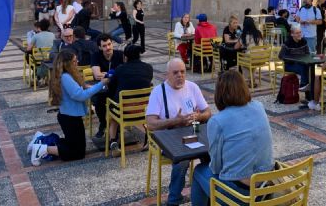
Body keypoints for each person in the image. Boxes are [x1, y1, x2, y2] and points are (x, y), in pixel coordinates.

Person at [190, 70, 274, 206]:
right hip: (265, 186)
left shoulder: (217, 121)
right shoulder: (259, 107)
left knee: (199, 171)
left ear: (220, 93)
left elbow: (216, 168)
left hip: (241, 193)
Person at [146, 58, 211, 206]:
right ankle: (173, 200)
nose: (180, 75)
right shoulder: (158, 92)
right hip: (169, 138)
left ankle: (208, 194)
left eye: (182, 72)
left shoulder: (192, 87)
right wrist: (175, 121)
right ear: (167, 75)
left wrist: (199, 116)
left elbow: (208, 112)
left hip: (193, 134)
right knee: (183, 161)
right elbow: (150, 124)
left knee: (211, 153)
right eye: (175, 73)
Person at [28, 50, 109, 166]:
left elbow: (81, 88)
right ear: (66, 64)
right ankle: (42, 149)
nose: (77, 63)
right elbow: (80, 95)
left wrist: (94, 86)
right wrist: (101, 84)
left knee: (74, 145)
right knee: (77, 153)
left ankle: (41, 139)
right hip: (70, 118)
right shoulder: (66, 77)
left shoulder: (68, 75)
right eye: (74, 61)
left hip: (70, 116)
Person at [106, 44, 154, 154]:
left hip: (124, 111)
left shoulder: (120, 69)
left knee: (112, 112)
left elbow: (111, 87)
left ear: (125, 57)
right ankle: (148, 137)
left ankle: (113, 142)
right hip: (143, 110)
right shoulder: (148, 68)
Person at [90, 34, 125, 139]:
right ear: (100, 47)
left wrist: (106, 75)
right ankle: (103, 123)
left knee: (119, 98)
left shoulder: (120, 55)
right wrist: (115, 74)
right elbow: (97, 75)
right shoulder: (96, 56)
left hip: (117, 88)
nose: (108, 47)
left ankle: (116, 125)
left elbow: (126, 72)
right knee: (98, 99)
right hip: (102, 88)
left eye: (109, 44)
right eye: (104, 46)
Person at [279, 25, 310, 90]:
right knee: (304, 68)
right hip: (289, 65)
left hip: (301, 63)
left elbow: (307, 53)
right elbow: (281, 56)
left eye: (300, 32)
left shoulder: (303, 41)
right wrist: (292, 59)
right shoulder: (287, 43)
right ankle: (303, 85)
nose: (299, 34)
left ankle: (308, 95)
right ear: (292, 34)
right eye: (297, 33)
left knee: (310, 69)